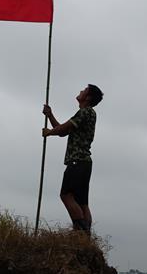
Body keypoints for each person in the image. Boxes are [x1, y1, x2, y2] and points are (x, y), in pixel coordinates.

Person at [42, 84, 103, 233]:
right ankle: (85, 236)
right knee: (82, 202)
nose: (81, 91)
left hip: (77, 162)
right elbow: (64, 131)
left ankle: (80, 231)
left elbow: (61, 129)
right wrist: (50, 116)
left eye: (84, 90)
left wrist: (49, 133)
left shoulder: (85, 112)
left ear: (88, 98)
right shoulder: (87, 113)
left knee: (66, 195)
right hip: (84, 163)